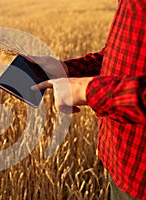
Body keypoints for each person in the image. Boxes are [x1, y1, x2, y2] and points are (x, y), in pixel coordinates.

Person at [25, 0, 146, 199]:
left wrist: (86, 90)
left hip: (140, 178)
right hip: (120, 160)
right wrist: (69, 70)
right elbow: (128, 55)